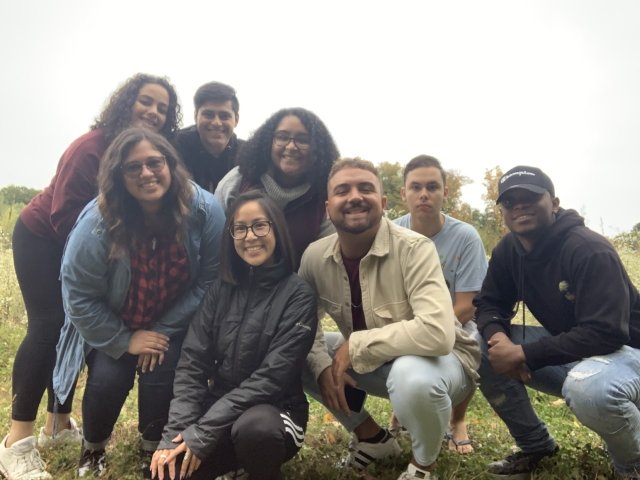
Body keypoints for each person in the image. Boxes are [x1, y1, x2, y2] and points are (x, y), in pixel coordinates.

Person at [0, 73, 181, 480]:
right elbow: (65, 215)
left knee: (77, 332)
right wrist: (108, 260)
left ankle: (58, 423)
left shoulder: (149, 155)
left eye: (162, 108)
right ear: (125, 104)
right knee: (49, 328)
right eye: (145, 102)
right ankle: (16, 441)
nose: (153, 112)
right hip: (44, 238)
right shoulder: (91, 148)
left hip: (100, 251)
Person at [52, 127, 224, 478]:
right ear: (118, 176)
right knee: (107, 380)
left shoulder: (204, 209)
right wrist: (125, 339)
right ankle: (94, 447)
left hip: (173, 317)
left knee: (163, 370)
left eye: (154, 162)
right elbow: (78, 294)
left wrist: (160, 331)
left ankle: (152, 448)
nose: (146, 173)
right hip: (114, 318)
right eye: (133, 168)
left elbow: (211, 278)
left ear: (171, 165)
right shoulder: (99, 222)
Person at [300, 158, 480, 480]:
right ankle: (373, 439)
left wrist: (355, 344)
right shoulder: (314, 257)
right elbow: (303, 324)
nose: (354, 196)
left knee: (412, 374)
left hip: (444, 363)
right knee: (298, 351)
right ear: (329, 208)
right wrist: (321, 367)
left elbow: (439, 334)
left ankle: (424, 466)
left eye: (366, 188)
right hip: (377, 363)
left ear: (383, 203)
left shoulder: (415, 248)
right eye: (343, 190)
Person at [474, 166, 640, 479]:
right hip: (579, 352)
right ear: (503, 212)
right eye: (510, 201)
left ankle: (631, 467)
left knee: (590, 388)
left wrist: (523, 354)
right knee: (479, 344)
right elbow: (489, 303)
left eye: (531, 197)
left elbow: (606, 332)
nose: (519, 206)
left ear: (554, 203)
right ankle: (537, 446)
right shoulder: (509, 250)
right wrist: (499, 340)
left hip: (629, 354)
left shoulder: (589, 249)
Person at [150, 191, 317, 480]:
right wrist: (174, 437)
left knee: (255, 433)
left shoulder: (298, 295)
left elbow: (271, 380)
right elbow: (192, 364)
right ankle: (233, 466)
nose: (250, 236)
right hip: (219, 411)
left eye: (260, 225)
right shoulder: (220, 290)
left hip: (276, 412)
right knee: (166, 473)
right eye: (240, 228)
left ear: (276, 229)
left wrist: (203, 432)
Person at [392, 155, 487, 454]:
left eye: (432, 187)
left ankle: (458, 419)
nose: (424, 194)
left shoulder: (465, 237)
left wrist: (429, 331)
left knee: (474, 340)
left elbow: (468, 305)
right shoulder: (390, 233)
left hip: (454, 320)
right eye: (416, 187)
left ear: (445, 192)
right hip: (405, 319)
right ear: (403, 193)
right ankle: (401, 408)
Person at [215, 107, 339, 267]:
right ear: (269, 142)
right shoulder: (238, 181)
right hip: (238, 285)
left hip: (300, 287)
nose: (291, 146)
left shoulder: (325, 196)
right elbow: (216, 242)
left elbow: (324, 260)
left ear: (317, 148)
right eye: (282, 137)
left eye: (302, 140)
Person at [174, 81, 244, 193]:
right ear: (195, 116)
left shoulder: (246, 155)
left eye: (224, 116)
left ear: (236, 119)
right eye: (208, 115)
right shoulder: (174, 146)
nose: (216, 122)